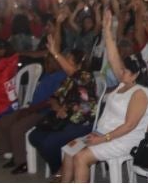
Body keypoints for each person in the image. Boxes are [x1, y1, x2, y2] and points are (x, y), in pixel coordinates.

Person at [59, 9, 148, 183]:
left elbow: (129, 126)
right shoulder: (124, 83)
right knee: (69, 150)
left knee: (81, 157)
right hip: (103, 133)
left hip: (122, 139)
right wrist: (107, 30)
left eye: (124, 71)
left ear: (134, 75)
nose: (120, 72)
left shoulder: (140, 94)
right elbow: (113, 58)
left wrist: (102, 139)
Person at [28, 39, 98, 180]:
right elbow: (54, 97)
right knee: (34, 136)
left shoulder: (86, 76)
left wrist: (55, 53)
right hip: (62, 118)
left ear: (78, 63)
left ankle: (60, 171)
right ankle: (61, 167)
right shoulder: (68, 79)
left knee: (49, 143)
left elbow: (72, 73)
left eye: (68, 59)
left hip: (81, 122)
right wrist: (59, 107)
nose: (64, 61)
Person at [0, 54, 67, 174]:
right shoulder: (48, 74)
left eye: (50, 62)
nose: (47, 65)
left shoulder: (60, 77)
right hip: (33, 107)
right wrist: (28, 109)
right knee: (4, 121)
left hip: (44, 111)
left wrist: (30, 110)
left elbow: (52, 100)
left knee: (17, 128)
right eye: (46, 62)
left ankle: (22, 162)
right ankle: (10, 152)